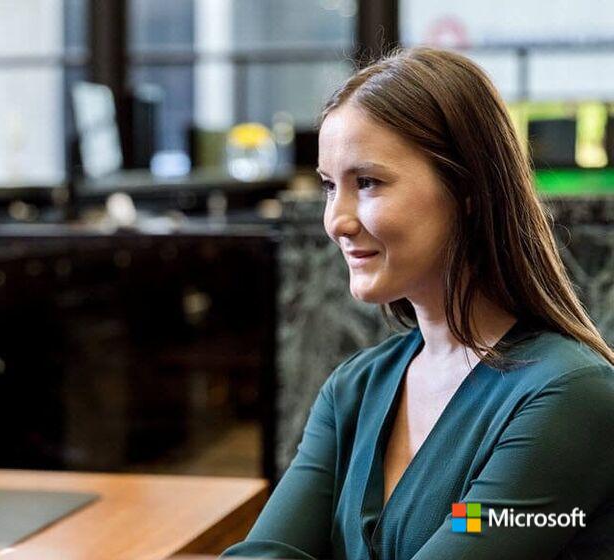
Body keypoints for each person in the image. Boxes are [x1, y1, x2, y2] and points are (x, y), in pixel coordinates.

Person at [222, 47, 614, 560]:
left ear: (468, 191)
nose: (336, 220)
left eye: (367, 183)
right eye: (328, 187)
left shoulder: (569, 396)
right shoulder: (355, 389)